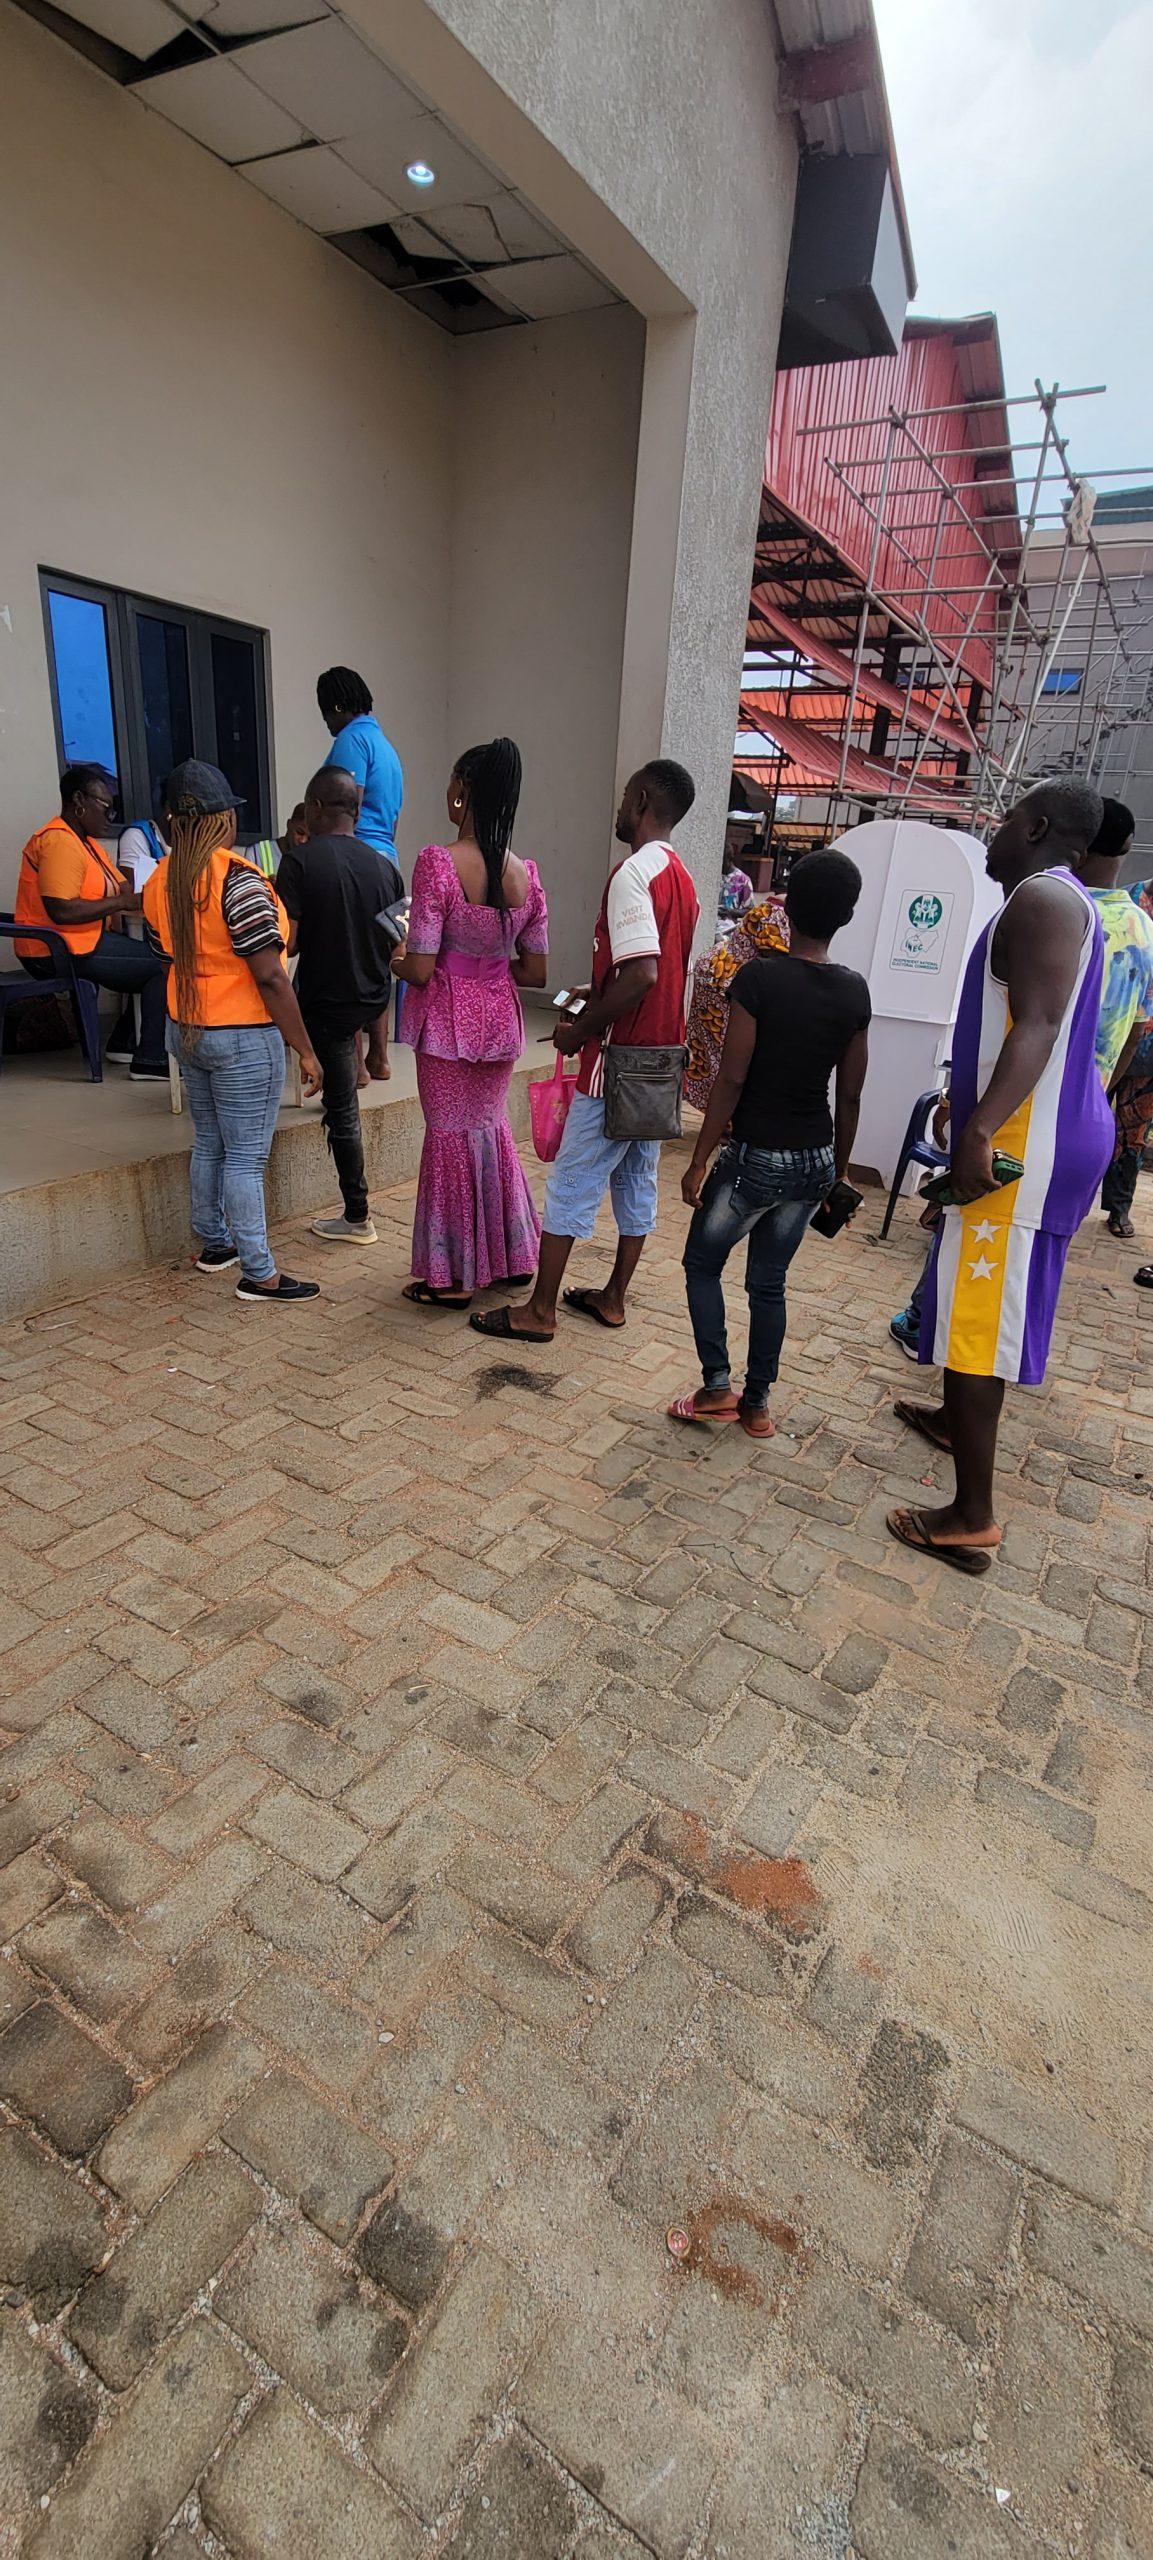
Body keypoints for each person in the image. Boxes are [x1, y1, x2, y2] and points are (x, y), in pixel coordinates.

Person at [889, 778, 1114, 1575]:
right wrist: (966, 1101)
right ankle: (957, 1420)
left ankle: (970, 1514)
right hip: (1031, 1126)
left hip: (1023, 1143)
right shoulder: (1055, 901)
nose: (993, 829)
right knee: (968, 1305)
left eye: (1006, 818)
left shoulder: (1042, 902)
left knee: (978, 1319)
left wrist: (981, 1126)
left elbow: (1041, 1024)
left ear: (1039, 827)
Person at [473, 759, 698, 1344]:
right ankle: (613, 1297)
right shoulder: (683, 876)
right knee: (636, 1180)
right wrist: (594, 993)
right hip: (660, 1062)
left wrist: (580, 1028)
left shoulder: (631, 874)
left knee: (572, 1180)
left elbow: (642, 974)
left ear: (643, 798)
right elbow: (658, 971)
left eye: (627, 796)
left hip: (617, 1063)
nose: (620, 806)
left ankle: (539, 1310)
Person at [671, 850, 869, 1435]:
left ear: (786, 906)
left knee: (702, 1263)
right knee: (769, 1282)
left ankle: (716, 1388)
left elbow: (732, 1078)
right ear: (848, 916)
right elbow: (851, 1094)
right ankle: (756, 1406)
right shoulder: (855, 991)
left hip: (755, 1156)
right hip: (814, 1161)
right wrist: (840, 1170)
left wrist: (700, 1157)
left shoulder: (759, 978)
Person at [140, 760, 322, 1303]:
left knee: (210, 1143)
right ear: (222, 820)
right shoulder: (238, 880)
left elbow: (161, 952)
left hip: (187, 1030)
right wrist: (305, 1050)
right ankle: (259, 1273)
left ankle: (215, 1245)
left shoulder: (158, 880)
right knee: (245, 1158)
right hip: (242, 1036)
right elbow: (270, 974)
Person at [390, 738, 547, 1305]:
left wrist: (397, 957)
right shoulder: (525, 874)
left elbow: (423, 965)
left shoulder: (438, 862)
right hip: (500, 1019)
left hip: (449, 1022)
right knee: (489, 1131)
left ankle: (454, 1277)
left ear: (462, 791)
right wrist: (488, 955)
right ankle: (509, 1259)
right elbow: (534, 970)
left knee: (450, 1138)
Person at [276, 766, 402, 1247]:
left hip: (324, 1003)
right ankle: (371, 1056)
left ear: (313, 809)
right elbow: (402, 941)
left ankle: (357, 1215)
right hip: (372, 996)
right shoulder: (386, 866)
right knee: (344, 1092)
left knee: (342, 1110)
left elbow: (288, 942)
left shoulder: (299, 863)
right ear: (355, 810)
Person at [14, 766, 169, 1078]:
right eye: (105, 807)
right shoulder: (60, 841)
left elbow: (121, 887)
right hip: (55, 949)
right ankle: (151, 1059)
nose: (110, 817)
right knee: (160, 964)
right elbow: (62, 911)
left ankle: (125, 1043)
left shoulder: (87, 844)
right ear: (78, 800)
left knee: (153, 957)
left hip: (81, 941)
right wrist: (123, 902)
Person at [317, 667, 405, 1083]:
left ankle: (355, 1065)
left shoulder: (350, 739)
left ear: (337, 706)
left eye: (326, 714)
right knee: (381, 957)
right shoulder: (388, 748)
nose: (328, 724)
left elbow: (347, 804)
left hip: (355, 860)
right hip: (387, 859)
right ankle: (380, 1057)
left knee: (346, 955)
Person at [1075, 797, 1153, 1237]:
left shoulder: (1057, 907)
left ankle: (1118, 1207)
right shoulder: (1137, 913)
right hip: (1114, 1053)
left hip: (1136, 1052)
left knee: (1134, 1132)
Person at [685, 896, 790, 1111]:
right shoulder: (782, 912)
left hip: (718, 971)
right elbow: (774, 957)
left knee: (715, 1055)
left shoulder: (773, 906)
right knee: (731, 1057)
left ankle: (718, 1115)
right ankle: (726, 1121)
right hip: (730, 981)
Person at [249, 805, 309, 881]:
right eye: (299, 832)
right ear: (289, 824)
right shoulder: (256, 853)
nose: (303, 840)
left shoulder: (311, 861)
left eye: (309, 838)